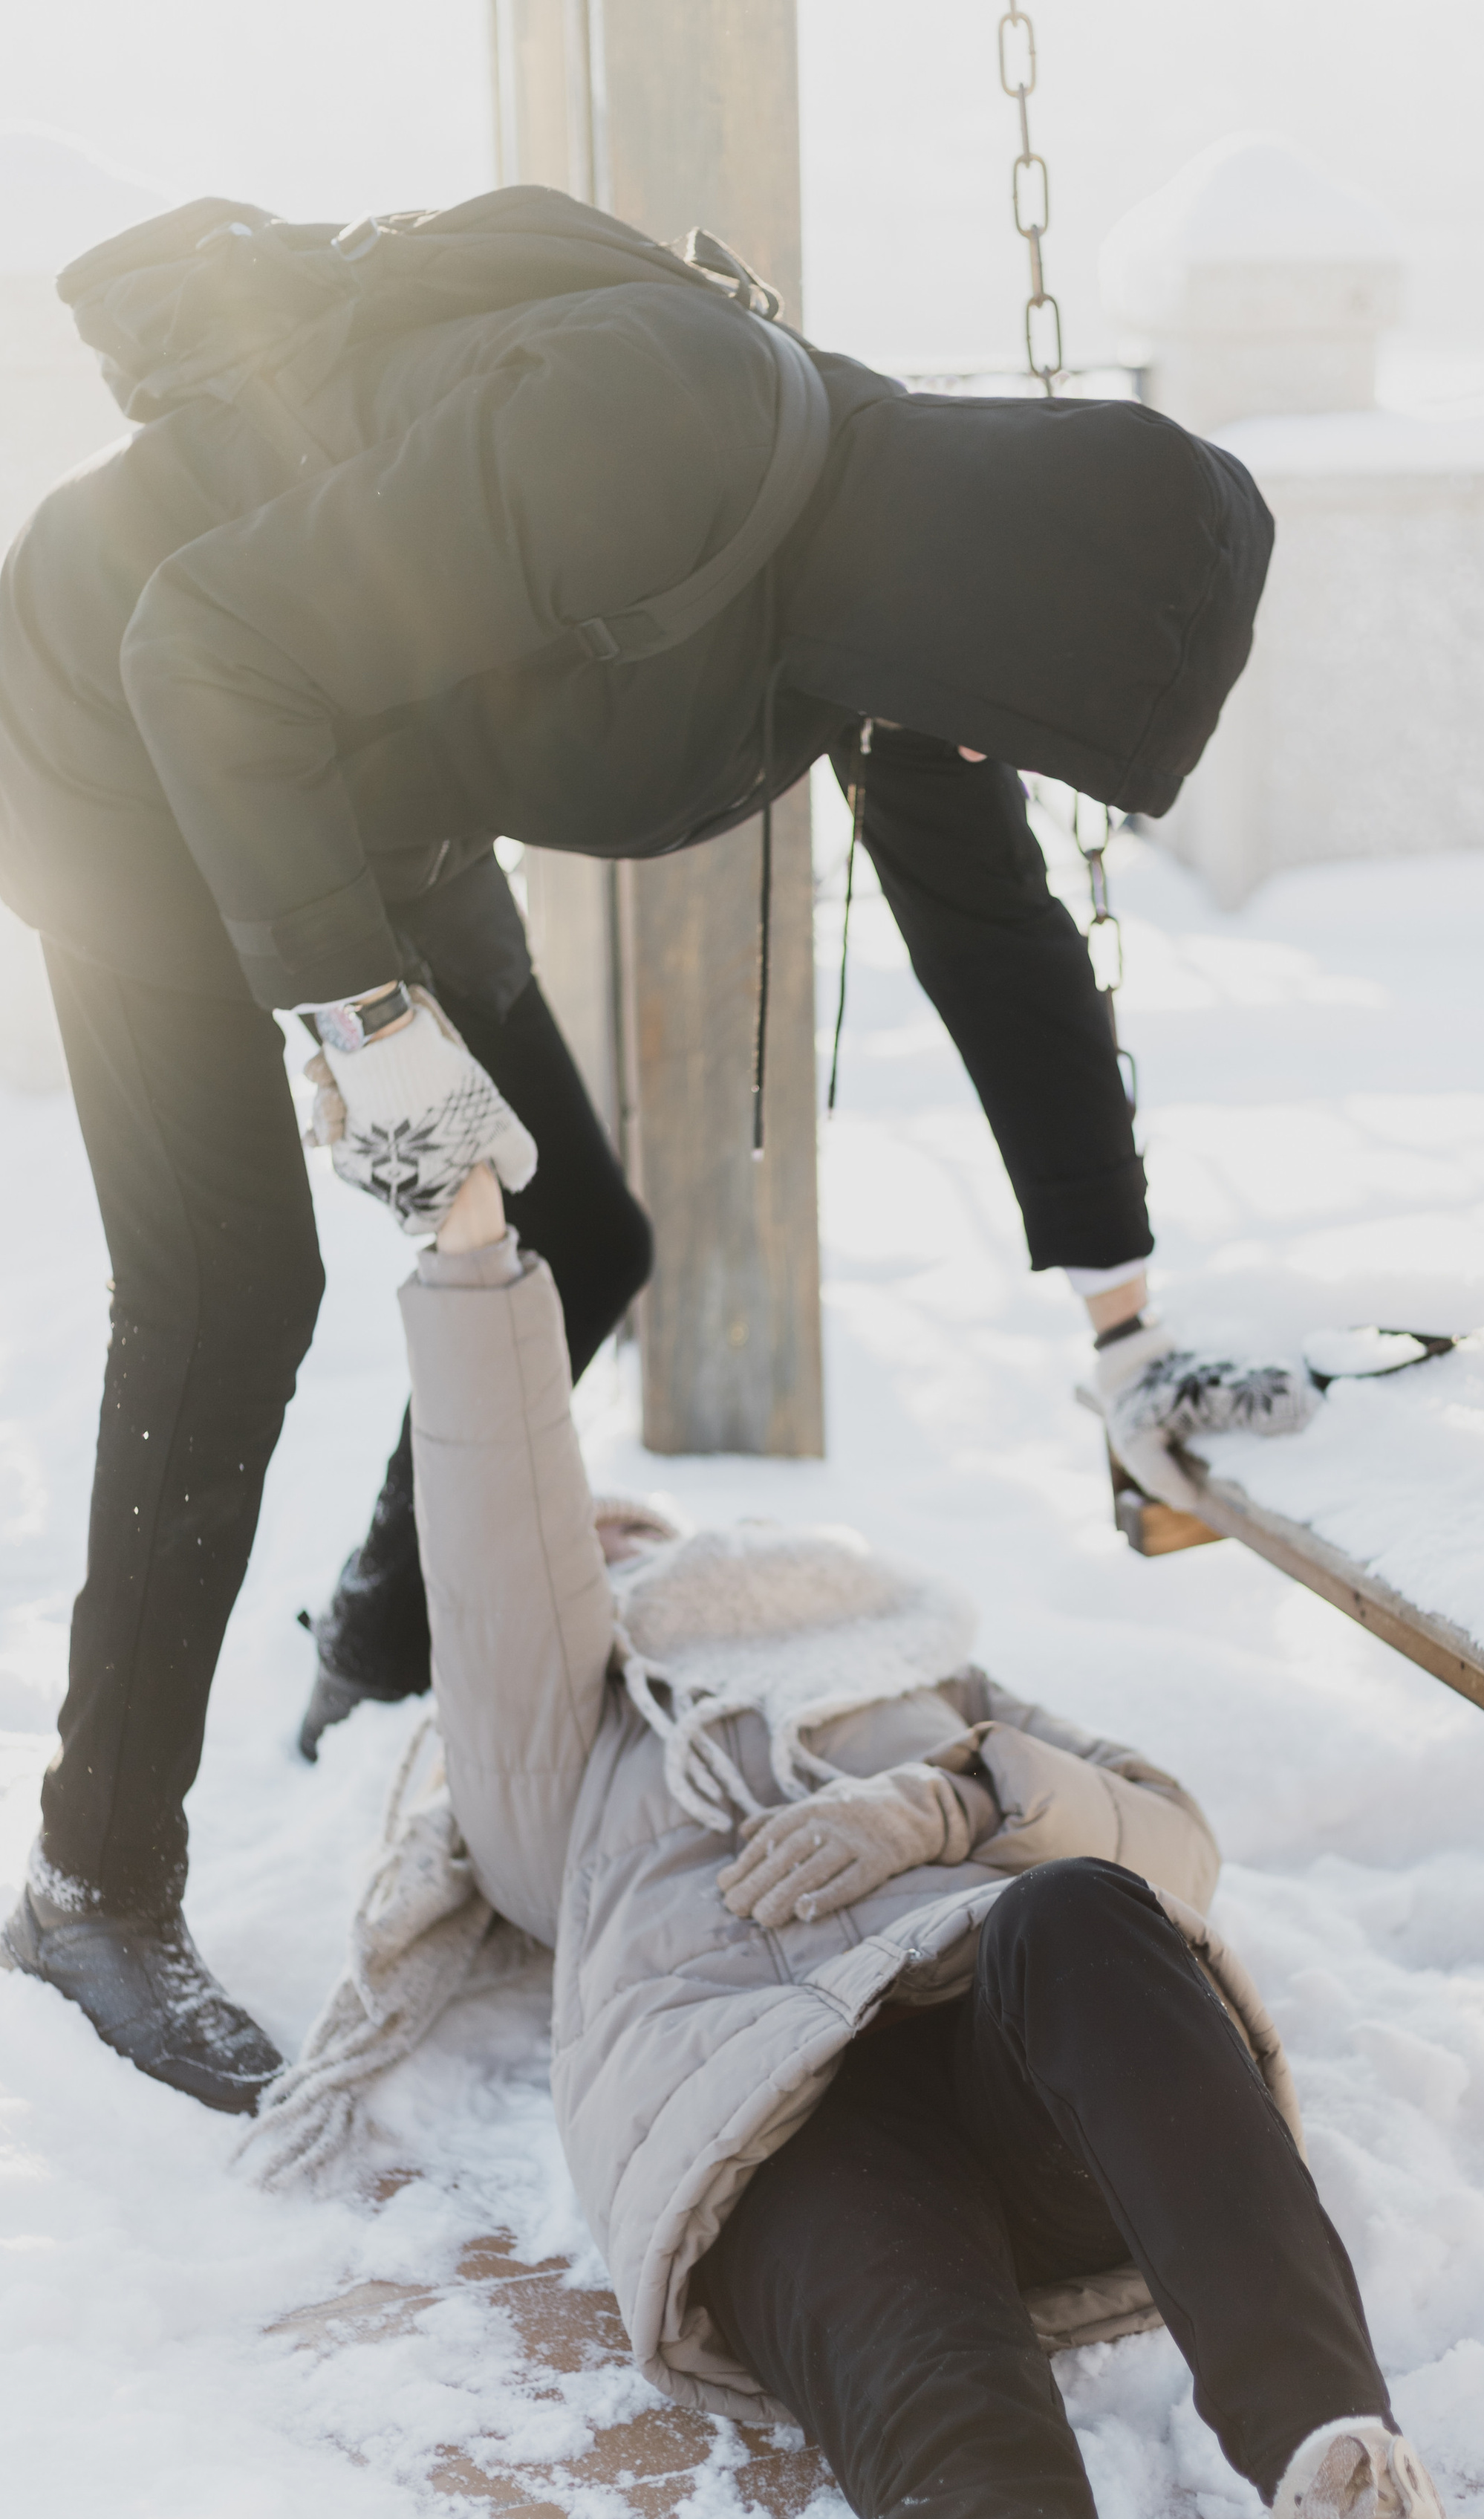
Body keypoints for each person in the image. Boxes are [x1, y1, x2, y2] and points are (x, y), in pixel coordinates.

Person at [0, 186, 1306, 2112]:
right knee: (232, 1293)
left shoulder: (904, 618)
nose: (991, 746)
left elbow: (1000, 942)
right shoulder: (657, 429)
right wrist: (366, 1034)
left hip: (361, 777)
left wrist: (1119, 1316)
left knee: (580, 1231)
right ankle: (93, 1880)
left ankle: (370, 1661)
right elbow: (204, 647)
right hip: (121, 729)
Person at [264, 1142, 1484, 2519]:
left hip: (1000, 2035)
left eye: (637, 1522)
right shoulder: (555, 1734)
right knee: (940, 2396)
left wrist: (954, 1799)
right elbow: (499, 1523)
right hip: (764, 2117)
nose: (607, 1534)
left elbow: (1173, 1841)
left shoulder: (915, 1670)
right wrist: (470, 1257)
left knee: (1091, 1911)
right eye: (584, 1537)